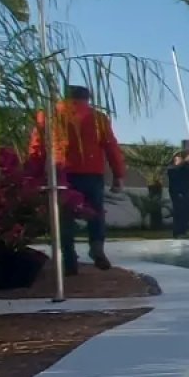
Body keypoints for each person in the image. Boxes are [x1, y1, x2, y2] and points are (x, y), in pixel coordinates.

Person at [29, 84, 124, 274]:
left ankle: (69, 259)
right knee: (96, 212)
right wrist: (118, 175)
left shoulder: (48, 115)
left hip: (61, 172)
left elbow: (37, 147)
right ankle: (96, 246)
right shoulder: (98, 118)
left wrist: (33, 174)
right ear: (87, 98)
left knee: (64, 217)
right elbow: (111, 148)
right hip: (92, 172)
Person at [167, 148, 189, 238]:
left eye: (181, 157)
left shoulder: (185, 168)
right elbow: (180, 166)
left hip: (186, 192)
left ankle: (183, 232)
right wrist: (188, 158)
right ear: (174, 160)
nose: (180, 158)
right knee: (179, 212)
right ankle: (177, 233)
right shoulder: (172, 168)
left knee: (186, 211)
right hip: (177, 192)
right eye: (178, 157)